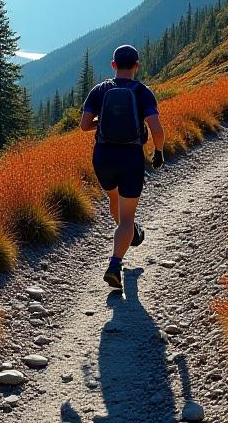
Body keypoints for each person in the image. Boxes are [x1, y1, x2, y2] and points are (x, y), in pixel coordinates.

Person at [80, 45, 166, 290]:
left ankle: (130, 234)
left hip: (103, 157)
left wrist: (105, 120)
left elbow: (84, 125)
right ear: (136, 65)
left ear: (113, 65)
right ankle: (115, 263)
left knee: (114, 198)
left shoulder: (99, 90)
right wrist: (158, 152)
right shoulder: (142, 92)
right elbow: (157, 131)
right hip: (131, 158)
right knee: (127, 217)